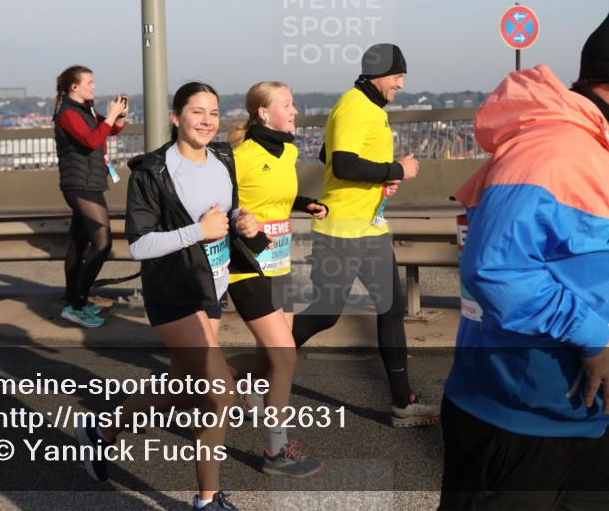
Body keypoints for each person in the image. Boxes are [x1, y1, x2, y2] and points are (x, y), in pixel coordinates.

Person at [440, 0, 609, 510]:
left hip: (580, 414)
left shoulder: (598, 144)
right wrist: (599, 339)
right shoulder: (553, 149)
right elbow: (496, 269)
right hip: (514, 423)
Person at [76, 82, 268, 511]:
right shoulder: (153, 171)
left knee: (185, 387)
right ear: (176, 117)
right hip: (172, 293)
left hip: (210, 287)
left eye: (214, 113)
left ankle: (102, 430)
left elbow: (227, 209)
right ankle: (207, 500)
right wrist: (198, 232)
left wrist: (243, 220)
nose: (207, 121)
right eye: (197, 112)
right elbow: (139, 245)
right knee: (219, 394)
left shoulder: (222, 156)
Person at [290, 43, 439, 427]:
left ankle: (402, 403)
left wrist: (380, 179)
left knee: (391, 309)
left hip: (369, 229)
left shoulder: (366, 107)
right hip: (341, 231)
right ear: (378, 75)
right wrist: (395, 169)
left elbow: (326, 154)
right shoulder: (355, 106)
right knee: (325, 314)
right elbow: (341, 164)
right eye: (398, 76)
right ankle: (262, 371)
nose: (401, 84)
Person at [224, 81, 328, 478]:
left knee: (269, 358)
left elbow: (278, 197)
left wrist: (306, 204)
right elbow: (225, 204)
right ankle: (276, 450)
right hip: (247, 266)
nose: (295, 110)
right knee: (285, 355)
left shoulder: (287, 149)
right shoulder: (239, 156)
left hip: (278, 263)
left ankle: (220, 380)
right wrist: (240, 220)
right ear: (263, 113)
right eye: (287, 104)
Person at [53, 65, 127, 328]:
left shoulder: (85, 110)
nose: (94, 86)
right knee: (102, 243)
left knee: (78, 244)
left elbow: (104, 134)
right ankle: (77, 304)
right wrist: (110, 116)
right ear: (75, 87)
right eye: (90, 82)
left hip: (90, 182)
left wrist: (116, 119)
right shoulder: (67, 114)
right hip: (80, 185)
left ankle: (72, 301)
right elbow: (90, 140)